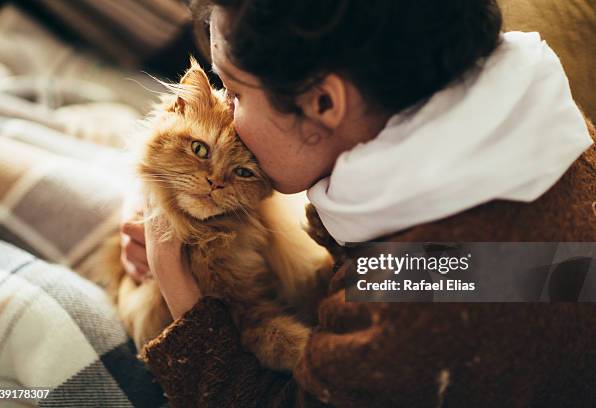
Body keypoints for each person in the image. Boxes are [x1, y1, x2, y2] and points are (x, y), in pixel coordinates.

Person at [120, 0, 596, 406]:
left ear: (325, 103)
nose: (228, 113)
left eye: (238, 94)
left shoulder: (421, 291)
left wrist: (173, 272)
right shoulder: (536, 116)